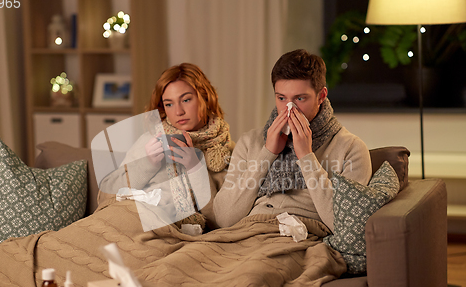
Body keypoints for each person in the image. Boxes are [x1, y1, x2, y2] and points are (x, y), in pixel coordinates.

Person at [213, 49, 372, 231]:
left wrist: (306, 156)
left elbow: (344, 226)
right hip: (247, 233)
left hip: (302, 237)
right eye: (281, 98)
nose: (289, 108)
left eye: (300, 98)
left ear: (321, 96)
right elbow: (223, 219)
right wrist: (267, 153)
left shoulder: (351, 148)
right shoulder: (250, 142)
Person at [98, 63, 234, 230]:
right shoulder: (151, 140)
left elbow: (219, 220)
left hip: (169, 233)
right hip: (130, 221)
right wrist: (148, 164)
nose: (178, 111)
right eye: (169, 104)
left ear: (205, 98)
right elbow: (106, 196)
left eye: (186, 100)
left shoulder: (224, 152)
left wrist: (195, 167)